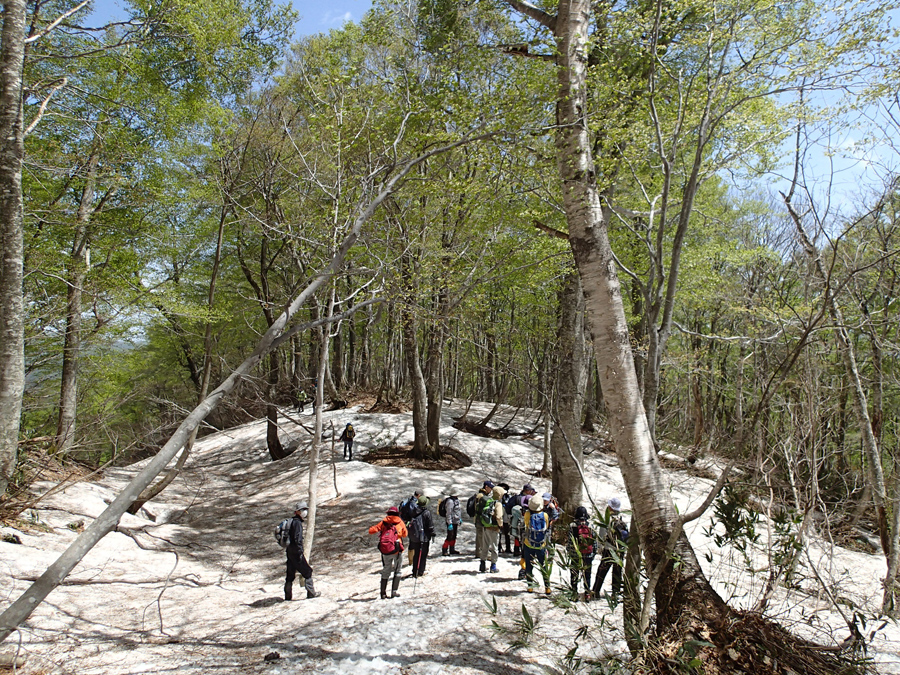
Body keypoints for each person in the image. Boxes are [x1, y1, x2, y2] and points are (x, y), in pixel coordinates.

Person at [593, 497, 629, 603]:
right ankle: (615, 593)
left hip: (609, 549)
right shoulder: (621, 519)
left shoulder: (607, 520)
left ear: (610, 507)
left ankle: (596, 591)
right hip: (620, 550)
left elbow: (602, 535)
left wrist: (600, 547)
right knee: (617, 572)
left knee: (602, 570)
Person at [369, 506, 409, 599]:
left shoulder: (384, 522)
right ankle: (394, 592)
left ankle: (383, 593)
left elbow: (371, 531)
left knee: (386, 570)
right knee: (397, 570)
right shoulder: (400, 522)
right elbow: (405, 534)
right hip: (397, 549)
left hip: (385, 550)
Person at [284, 501, 320, 600]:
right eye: (303, 510)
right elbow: (297, 539)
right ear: (298, 512)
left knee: (290, 575)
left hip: (289, 552)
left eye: (305, 510)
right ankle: (311, 593)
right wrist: (300, 550)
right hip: (296, 553)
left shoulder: (291, 521)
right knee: (307, 572)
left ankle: (287, 597)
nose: (305, 512)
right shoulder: (297, 523)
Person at [522, 495, 552, 594]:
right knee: (543, 565)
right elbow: (546, 527)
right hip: (541, 545)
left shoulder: (527, 514)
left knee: (529, 566)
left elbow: (525, 526)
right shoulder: (545, 515)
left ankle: (530, 586)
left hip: (528, 543)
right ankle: (547, 587)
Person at [568, 506, 597, 601]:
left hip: (575, 554)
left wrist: (569, 552)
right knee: (587, 574)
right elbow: (594, 541)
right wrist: (593, 553)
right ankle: (587, 593)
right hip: (588, 554)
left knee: (574, 573)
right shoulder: (591, 526)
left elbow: (570, 541)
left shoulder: (572, 525)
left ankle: (574, 592)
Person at [477, 484, 505, 573]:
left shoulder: (488, 500)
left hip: (486, 527)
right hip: (494, 528)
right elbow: (499, 516)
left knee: (485, 546)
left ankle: (482, 564)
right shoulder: (498, 504)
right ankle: (493, 566)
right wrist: (500, 525)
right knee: (494, 547)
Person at [408, 495, 436, 577]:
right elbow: (430, 525)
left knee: (416, 554)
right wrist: (433, 533)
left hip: (415, 536)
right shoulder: (426, 513)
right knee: (423, 555)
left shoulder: (413, 511)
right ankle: (420, 571)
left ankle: (414, 571)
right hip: (424, 537)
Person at [399, 489, 423, 565]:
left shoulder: (407, 500)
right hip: (412, 524)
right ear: (419, 495)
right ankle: (412, 560)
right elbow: (414, 514)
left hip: (407, 523)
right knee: (414, 541)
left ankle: (411, 560)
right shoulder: (413, 503)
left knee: (412, 541)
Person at [472, 480, 493, 562]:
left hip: (478, 518)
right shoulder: (481, 496)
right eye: (490, 488)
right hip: (480, 519)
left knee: (479, 536)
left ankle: (478, 552)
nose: (491, 490)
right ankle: (485, 553)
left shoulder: (481, 495)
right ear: (486, 487)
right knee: (482, 536)